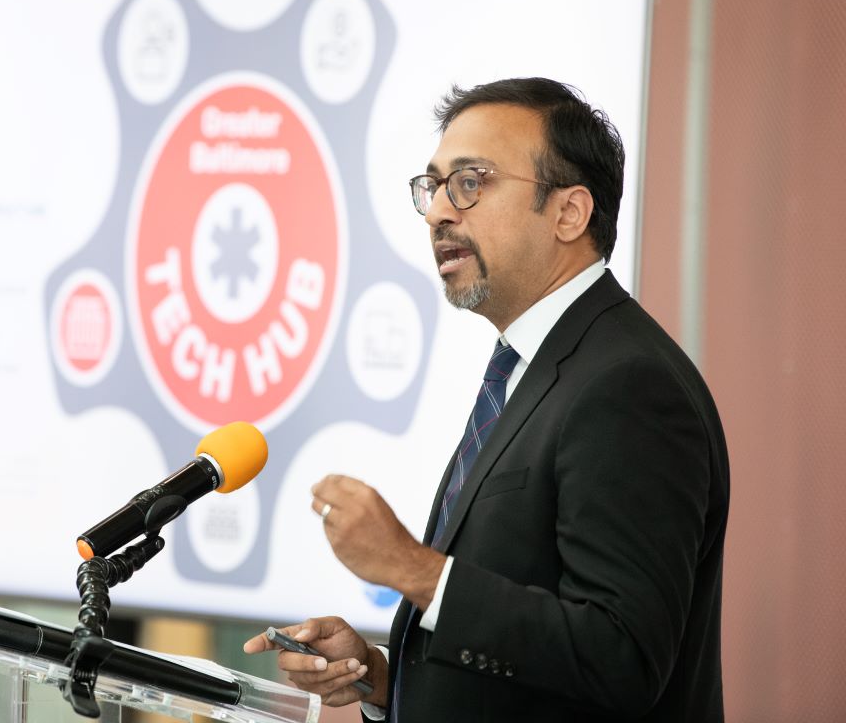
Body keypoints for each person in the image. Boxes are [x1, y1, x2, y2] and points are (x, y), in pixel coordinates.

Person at [244, 78, 729, 722]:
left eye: (471, 182)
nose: (439, 211)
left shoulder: (627, 386)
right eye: (434, 185)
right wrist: (387, 680)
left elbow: (623, 658)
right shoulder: (530, 372)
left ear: (569, 213)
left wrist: (417, 570)